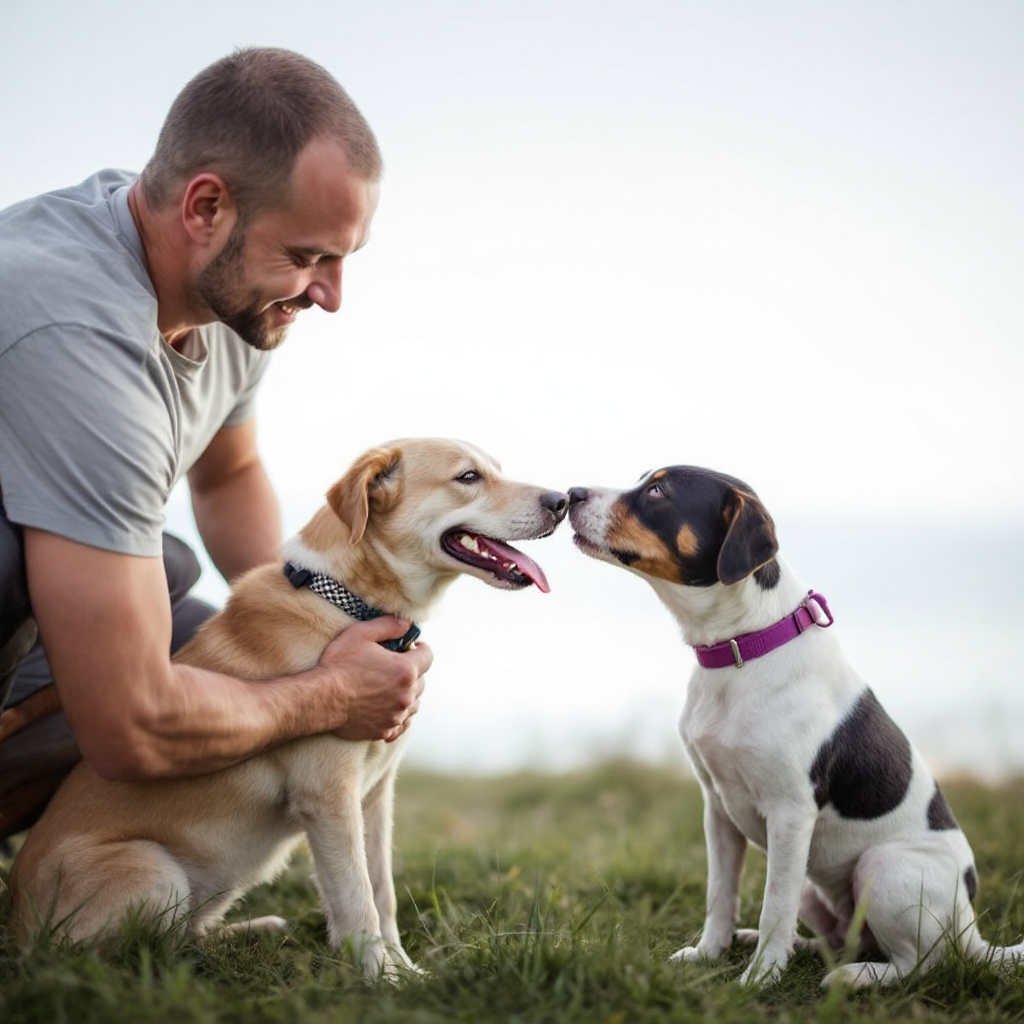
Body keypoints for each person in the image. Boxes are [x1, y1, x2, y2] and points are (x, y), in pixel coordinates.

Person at [0, 47, 433, 839]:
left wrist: (329, 625)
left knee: (216, 635)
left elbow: (228, 473)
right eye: (308, 258)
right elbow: (131, 722)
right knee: (176, 683)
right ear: (205, 208)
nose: (330, 297)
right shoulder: (73, 331)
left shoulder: (230, 298)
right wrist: (331, 692)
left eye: (340, 260)